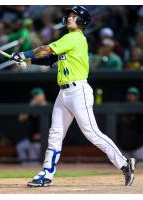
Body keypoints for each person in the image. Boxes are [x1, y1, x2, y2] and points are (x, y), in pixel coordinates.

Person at [10, 6, 135, 187]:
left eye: (74, 16)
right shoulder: (67, 40)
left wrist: (23, 54)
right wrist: (26, 60)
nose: (69, 18)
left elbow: (46, 50)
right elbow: (49, 60)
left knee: (91, 132)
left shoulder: (74, 38)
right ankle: (46, 174)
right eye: (69, 15)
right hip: (64, 93)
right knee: (55, 134)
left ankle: (124, 163)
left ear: (82, 21)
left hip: (78, 91)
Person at [16, 87, 48, 165]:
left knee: (35, 161)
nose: (36, 97)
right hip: (31, 140)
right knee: (20, 147)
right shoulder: (32, 107)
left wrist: (42, 135)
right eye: (34, 96)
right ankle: (25, 166)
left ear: (43, 96)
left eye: (38, 95)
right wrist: (31, 106)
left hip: (45, 140)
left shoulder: (49, 106)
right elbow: (21, 119)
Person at [117, 87, 143, 162]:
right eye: (129, 94)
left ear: (137, 96)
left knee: (141, 166)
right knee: (120, 166)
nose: (131, 96)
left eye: (134, 95)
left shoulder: (140, 109)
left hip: (139, 148)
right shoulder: (121, 109)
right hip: (124, 149)